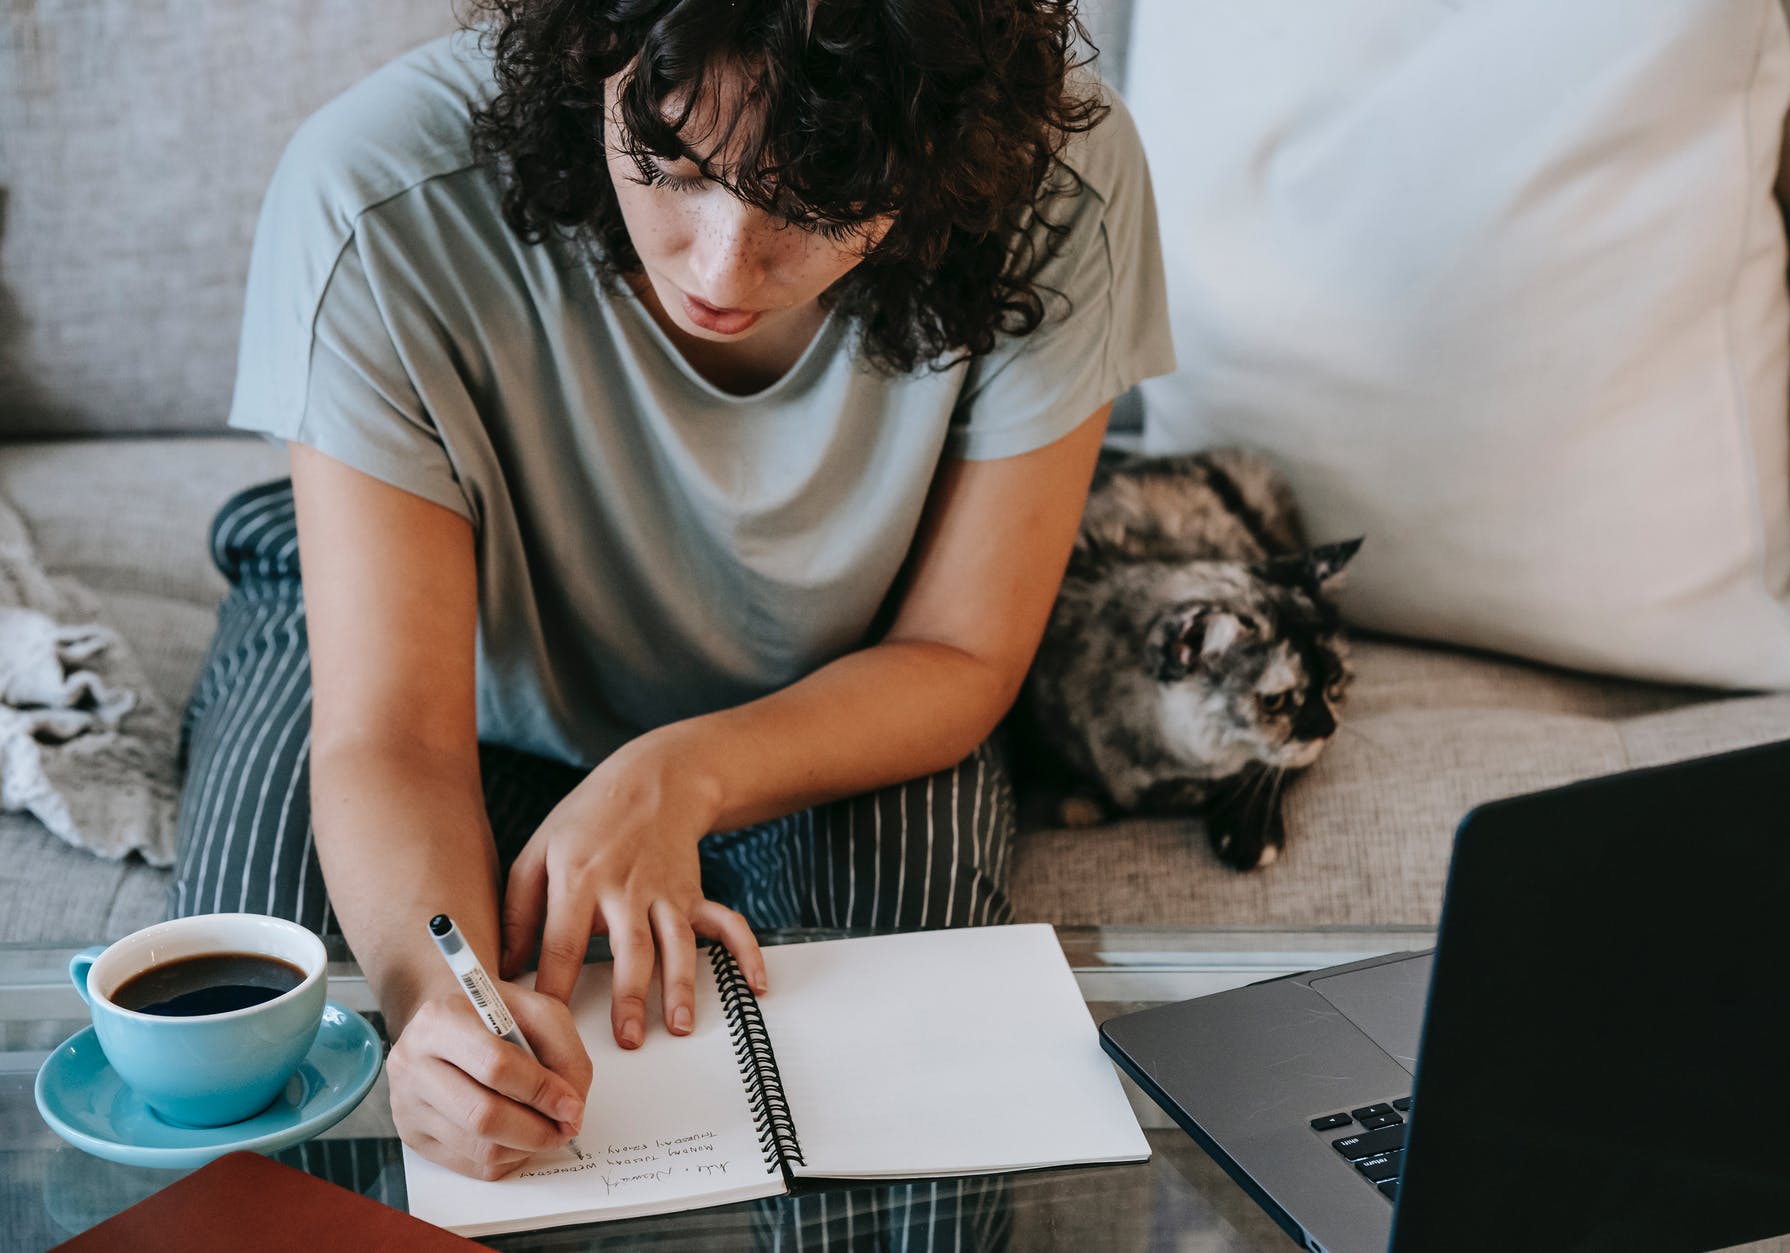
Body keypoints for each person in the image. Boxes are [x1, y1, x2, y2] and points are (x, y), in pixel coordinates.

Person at [169, 0, 1173, 1187]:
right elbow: (388, 730)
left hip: (831, 676)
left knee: (908, 1035)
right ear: (589, 58)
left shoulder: (1060, 181)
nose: (719, 264)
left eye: (819, 196)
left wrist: (677, 775)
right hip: (444, 634)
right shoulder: (371, 192)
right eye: (674, 163)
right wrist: (440, 1012)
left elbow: (959, 650)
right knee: (244, 1005)